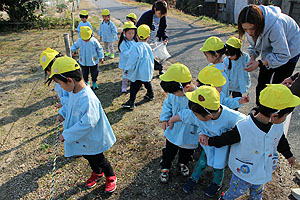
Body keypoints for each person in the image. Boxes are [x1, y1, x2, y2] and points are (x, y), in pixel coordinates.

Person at [198, 84, 299, 199]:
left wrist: (288, 154)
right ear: (275, 116)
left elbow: (280, 140)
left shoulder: (277, 125)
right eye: (285, 115)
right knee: (236, 191)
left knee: (258, 191)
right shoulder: (244, 127)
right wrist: (210, 141)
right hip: (244, 171)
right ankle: (226, 198)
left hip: (262, 170)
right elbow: (226, 138)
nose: (284, 119)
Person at [48, 56, 117, 193]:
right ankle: (97, 173)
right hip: (84, 138)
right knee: (88, 155)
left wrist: (67, 134)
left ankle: (111, 176)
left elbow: (87, 123)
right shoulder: (74, 91)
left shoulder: (88, 98)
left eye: (60, 84)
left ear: (69, 80)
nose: (61, 87)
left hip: (92, 136)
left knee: (98, 158)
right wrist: (63, 113)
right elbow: (69, 105)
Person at [168, 86, 246, 197]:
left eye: (196, 114)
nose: (194, 116)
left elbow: (247, 125)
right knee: (201, 163)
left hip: (221, 149)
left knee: (218, 168)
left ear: (209, 116)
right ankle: (193, 179)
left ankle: (216, 183)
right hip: (207, 147)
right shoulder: (200, 113)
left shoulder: (232, 117)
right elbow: (187, 115)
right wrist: (172, 120)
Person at [238, 4, 300, 105]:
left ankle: (273, 113)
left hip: (290, 50)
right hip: (273, 49)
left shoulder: (275, 25)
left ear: (259, 24)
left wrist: (260, 63)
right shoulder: (251, 26)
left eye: (252, 29)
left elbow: (283, 54)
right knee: (262, 83)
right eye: (245, 29)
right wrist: (253, 58)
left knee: (278, 85)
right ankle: (259, 110)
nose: (249, 33)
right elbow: (255, 45)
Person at [158, 63, 198, 183]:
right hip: (173, 129)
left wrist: (177, 117)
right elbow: (168, 104)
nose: (173, 95)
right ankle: (165, 166)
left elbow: (196, 116)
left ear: (185, 87)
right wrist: (165, 118)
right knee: (169, 150)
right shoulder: (174, 93)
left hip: (189, 131)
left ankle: (183, 163)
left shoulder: (198, 96)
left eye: (174, 92)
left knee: (187, 151)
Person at [121, 24, 154, 109]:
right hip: (146, 70)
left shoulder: (135, 47)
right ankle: (150, 94)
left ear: (137, 35)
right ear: (148, 37)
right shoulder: (148, 46)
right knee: (147, 82)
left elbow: (132, 61)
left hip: (138, 72)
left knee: (134, 86)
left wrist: (128, 69)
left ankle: (131, 102)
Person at [137, 0, 168, 74]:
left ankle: (160, 69)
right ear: (155, 9)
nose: (161, 16)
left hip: (155, 40)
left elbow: (163, 30)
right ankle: (144, 71)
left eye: (163, 14)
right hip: (144, 40)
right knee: (145, 57)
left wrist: (165, 38)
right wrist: (140, 40)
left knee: (159, 56)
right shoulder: (147, 16)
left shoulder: (162, 18)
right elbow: (138, 28)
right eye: (159, 13)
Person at [118, 21, 137, 93]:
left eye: (133, 33)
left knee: (133, 73)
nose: (131, 35)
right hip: (126, 63)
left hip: (132, 62)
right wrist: (132, 53)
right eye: (129, 33)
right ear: (124, 33)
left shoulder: (134, 41)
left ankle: (133, 83)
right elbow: (125, 53)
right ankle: (124, 86)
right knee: (125, 75)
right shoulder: (123, 44)